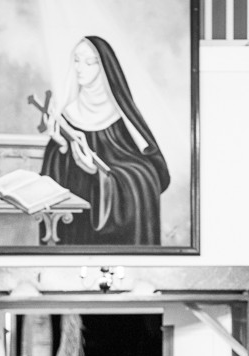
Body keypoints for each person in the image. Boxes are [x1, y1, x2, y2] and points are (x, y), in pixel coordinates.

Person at [39, 36, 170, 246]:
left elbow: (148, 175)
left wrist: (99, 175)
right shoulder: (67, 115)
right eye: (76, 60)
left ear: (105, 68)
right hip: (75, 222)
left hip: (109, 229)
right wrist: (60, 147)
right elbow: (53, 175)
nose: (80, 68)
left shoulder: (121, 118)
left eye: (90, 62)